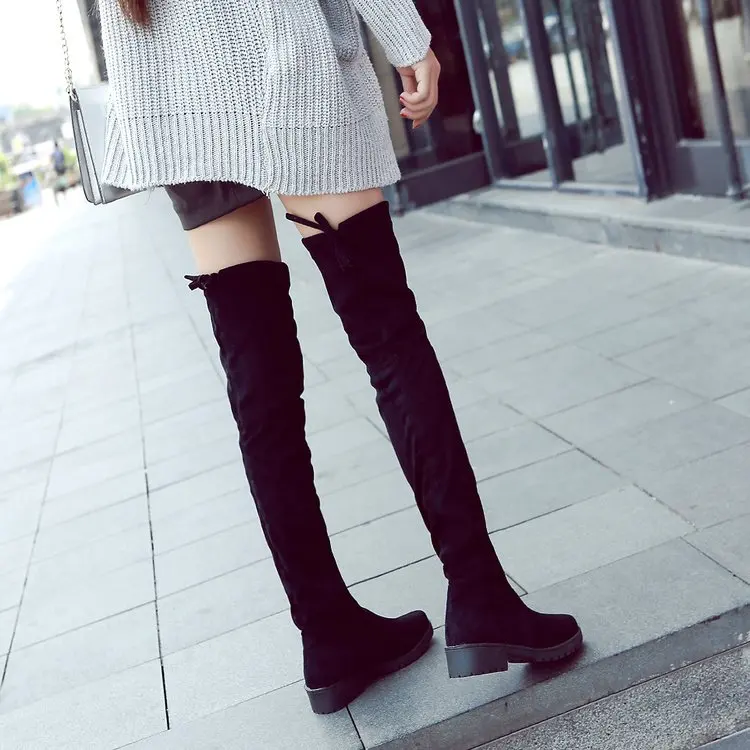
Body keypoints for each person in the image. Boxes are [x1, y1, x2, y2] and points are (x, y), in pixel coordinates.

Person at [100, 0, 582, 715]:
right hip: (283, 70)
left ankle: (327, 633)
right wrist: (407, 36)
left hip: (177, 102)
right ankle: (479, 593)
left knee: (260, 389)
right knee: (388, 336)